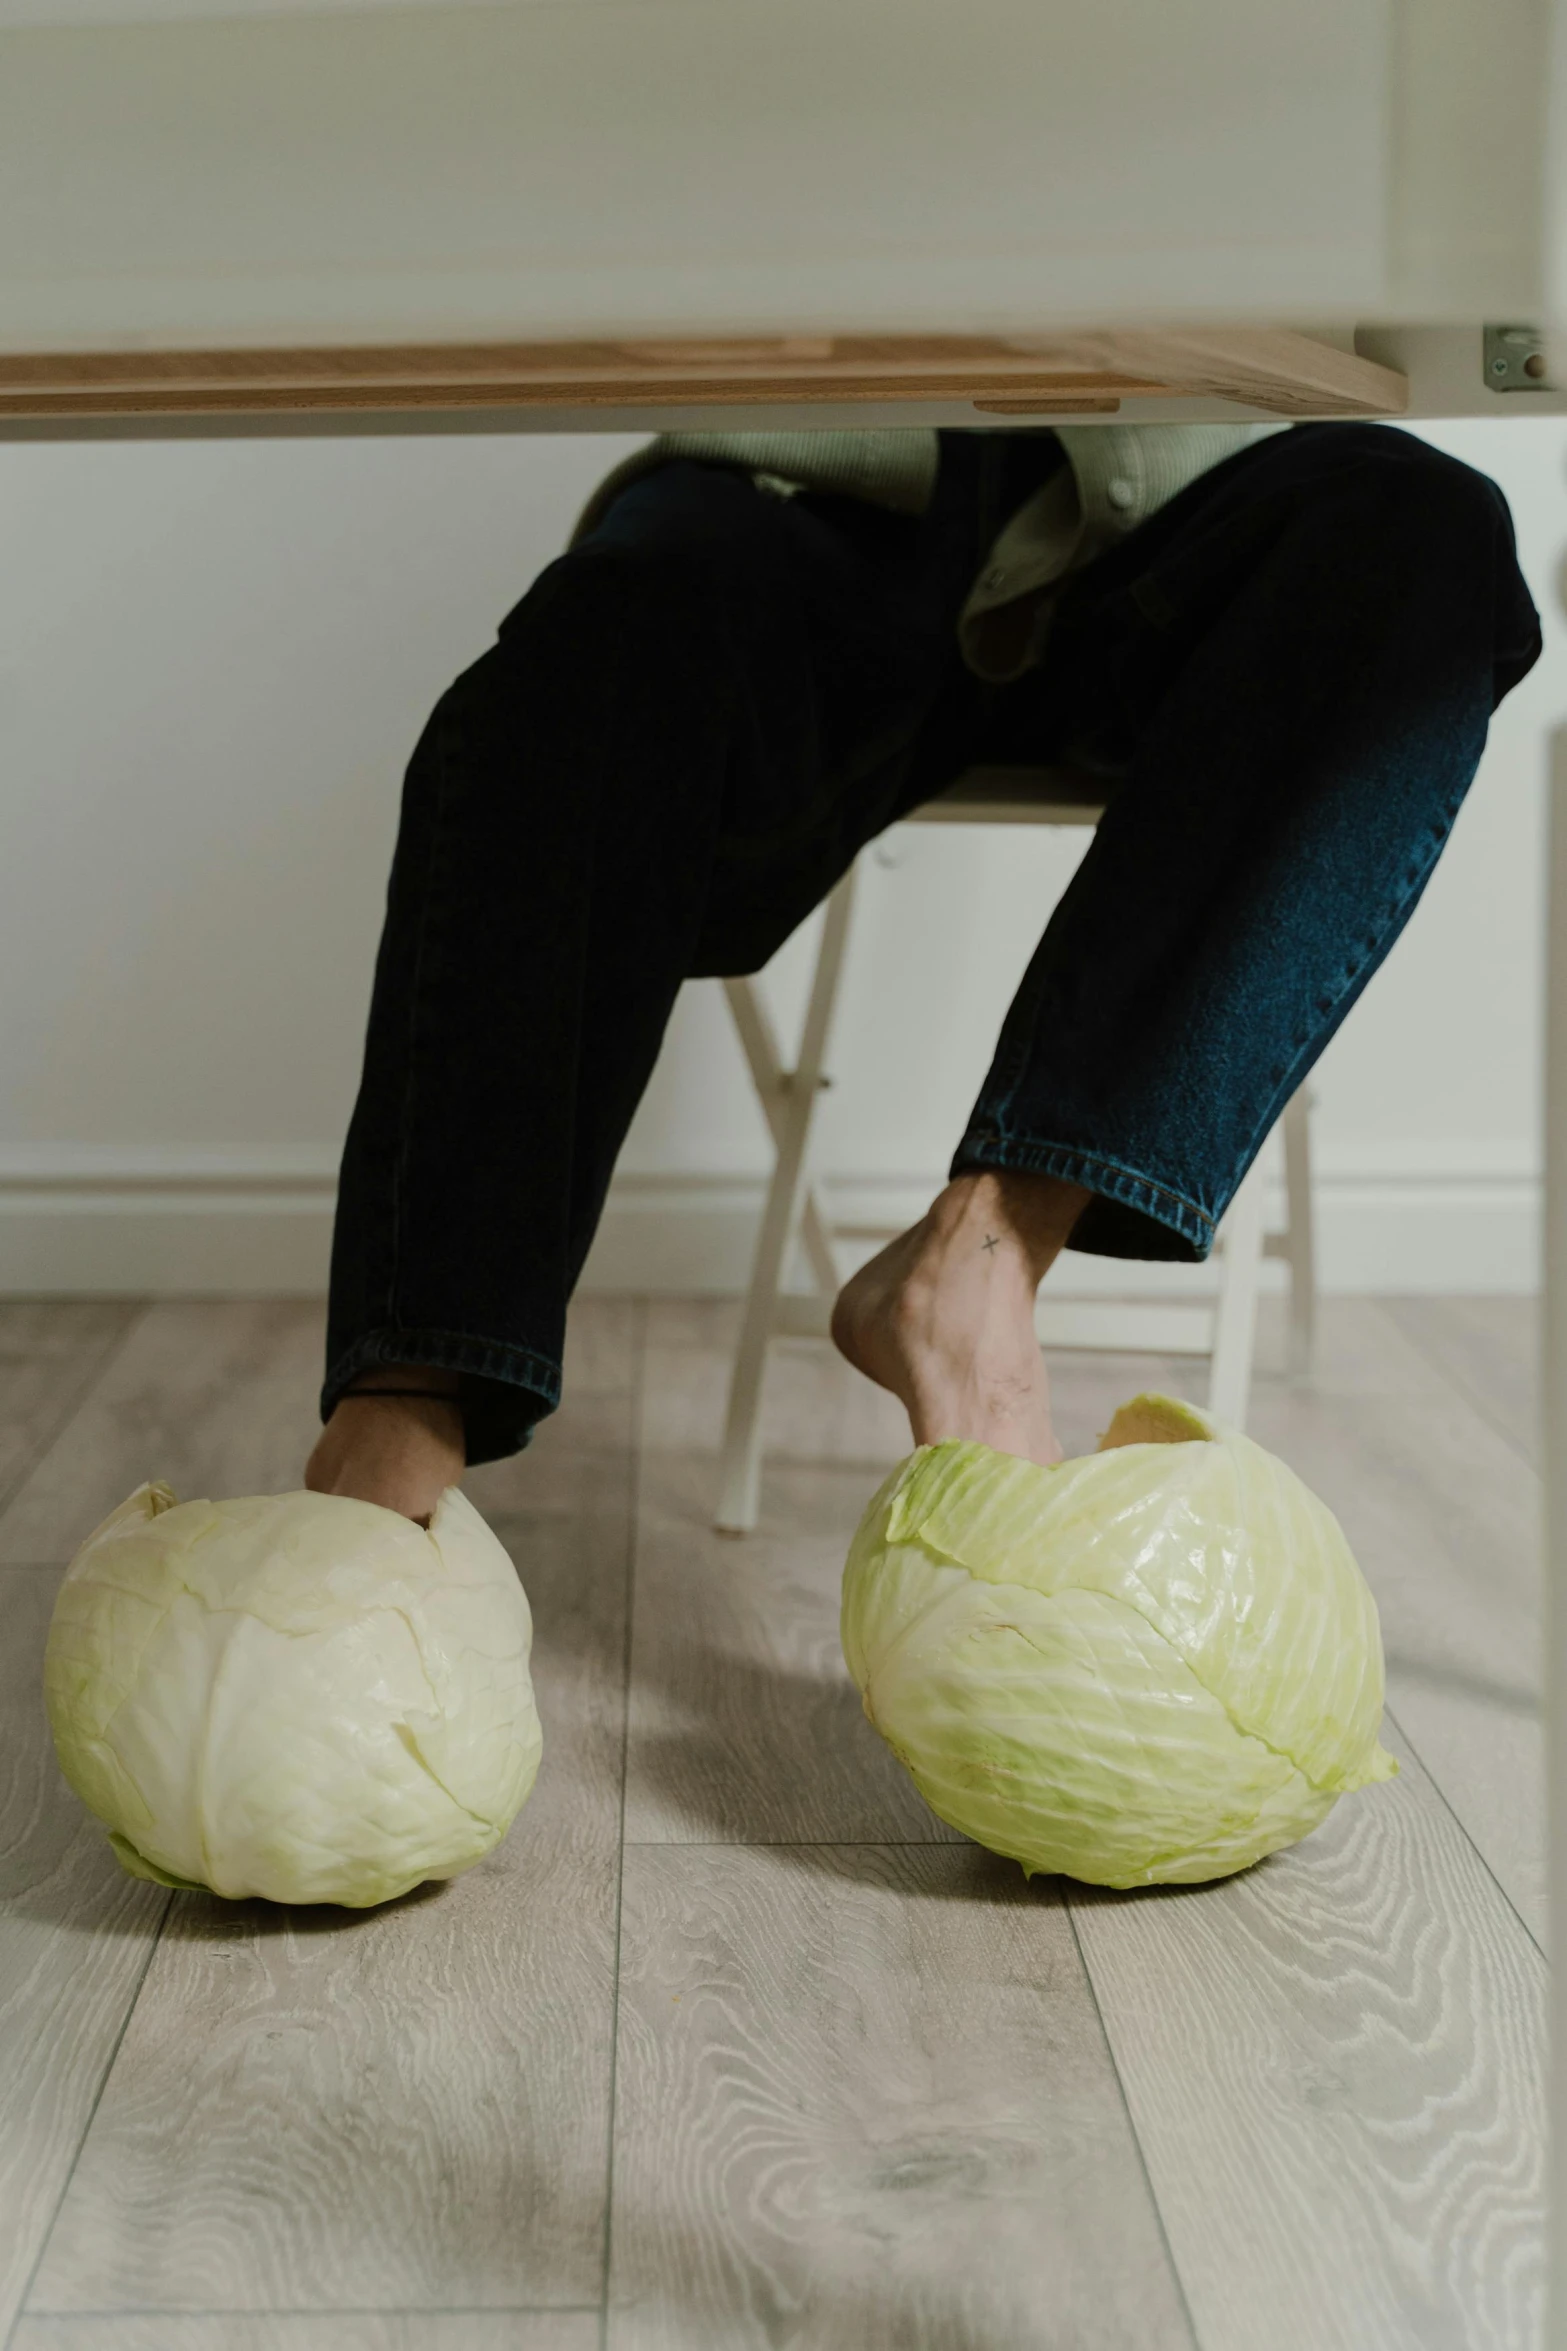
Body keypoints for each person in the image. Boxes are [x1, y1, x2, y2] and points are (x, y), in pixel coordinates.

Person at [303, 419, 1542, 1524]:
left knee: (1422, 528)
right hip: (825, 475)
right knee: (596, 644)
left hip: (1189, 490)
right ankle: (410, 1386)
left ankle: (985, 1253)